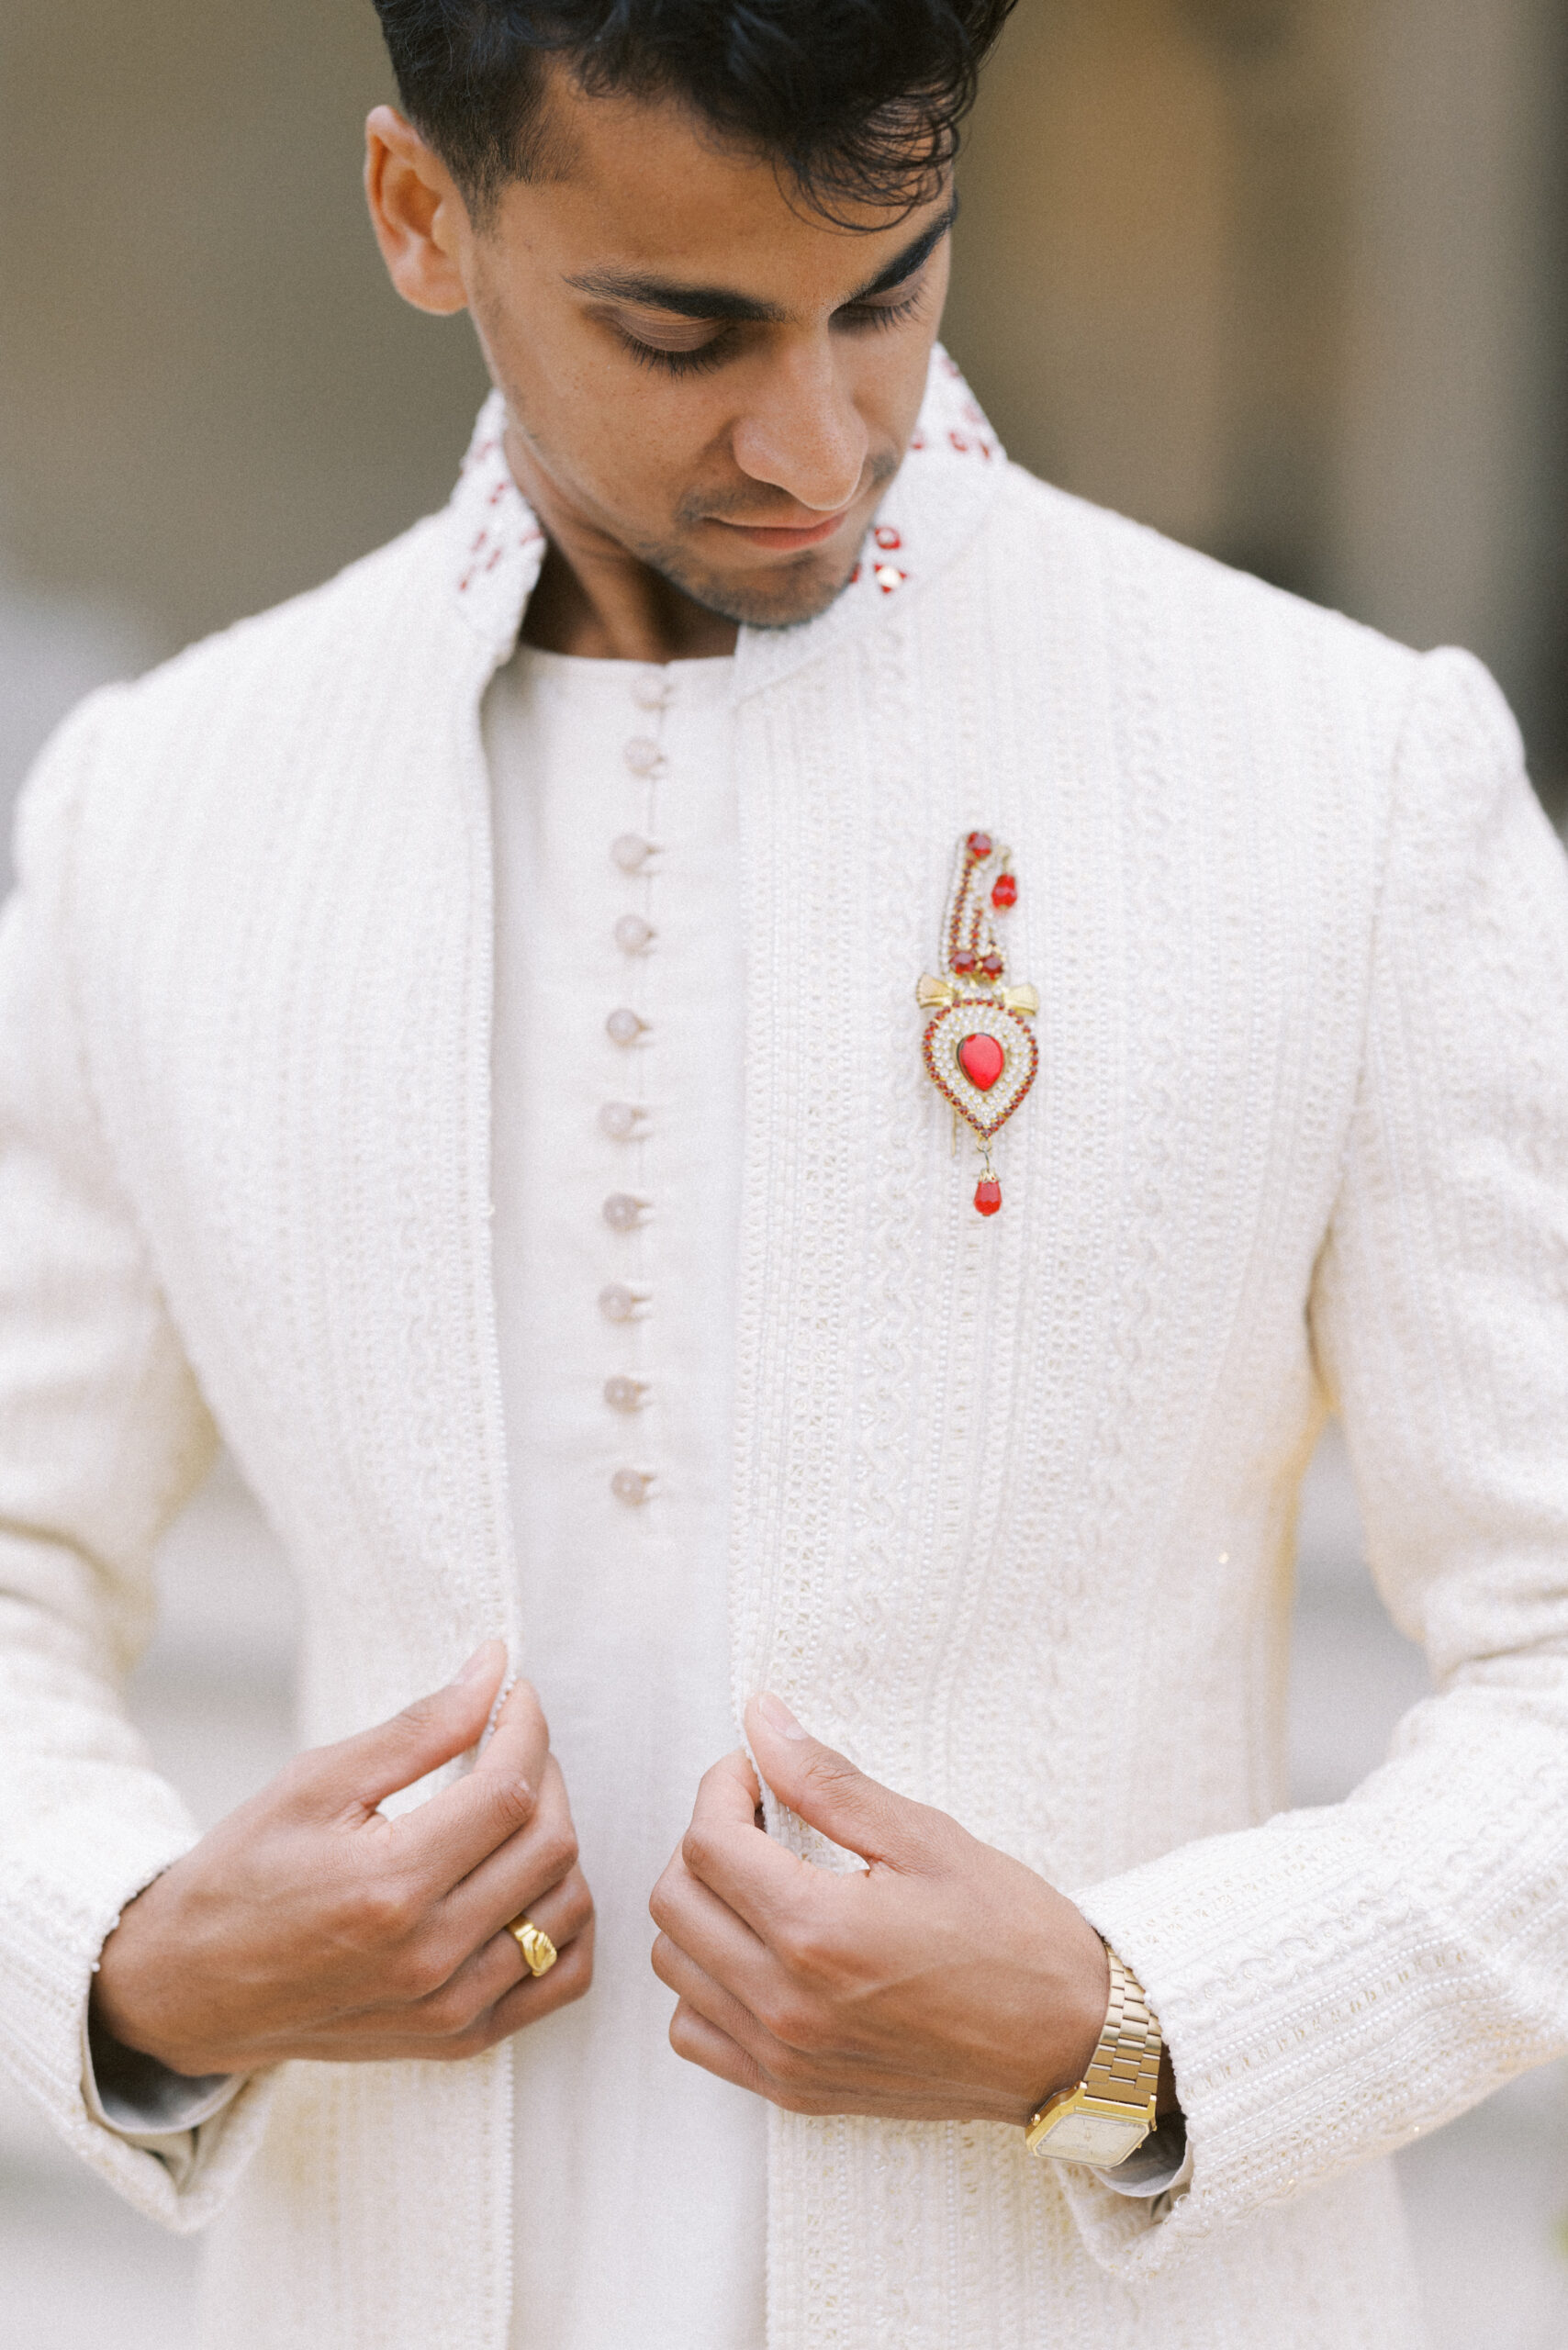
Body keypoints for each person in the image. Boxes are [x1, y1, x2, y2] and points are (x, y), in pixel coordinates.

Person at [2, 3, 1566, 2344]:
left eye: (887, 291)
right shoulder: (168, 811)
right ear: (425, 218)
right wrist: (131, 1954)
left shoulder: (1337, 778)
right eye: (683, 330)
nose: (819, 439)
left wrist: (1121, 2024)